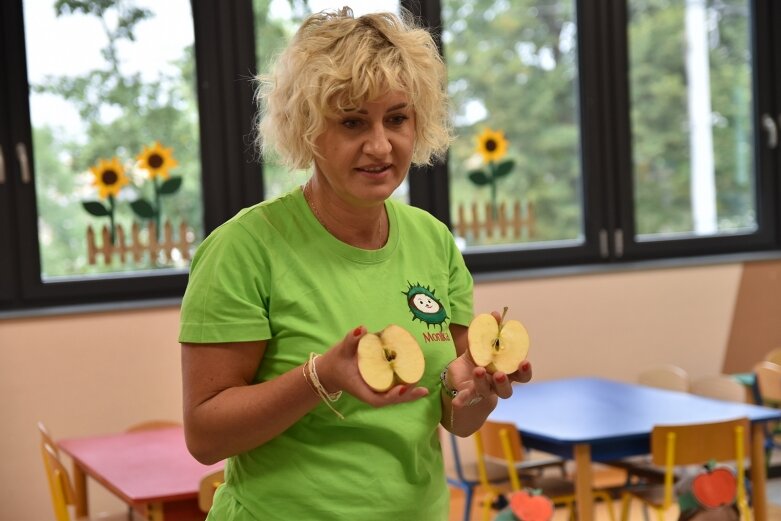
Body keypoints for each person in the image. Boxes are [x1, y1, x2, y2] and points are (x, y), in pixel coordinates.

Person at [178, 6, 532, 520]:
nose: (380, 145)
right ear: (307, 128)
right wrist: (322, 376)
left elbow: (456, 417)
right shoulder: (244, 248)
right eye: (351, 122)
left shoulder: (433, 242)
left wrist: (477, 391)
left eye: (397, 119)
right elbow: (205, 436)